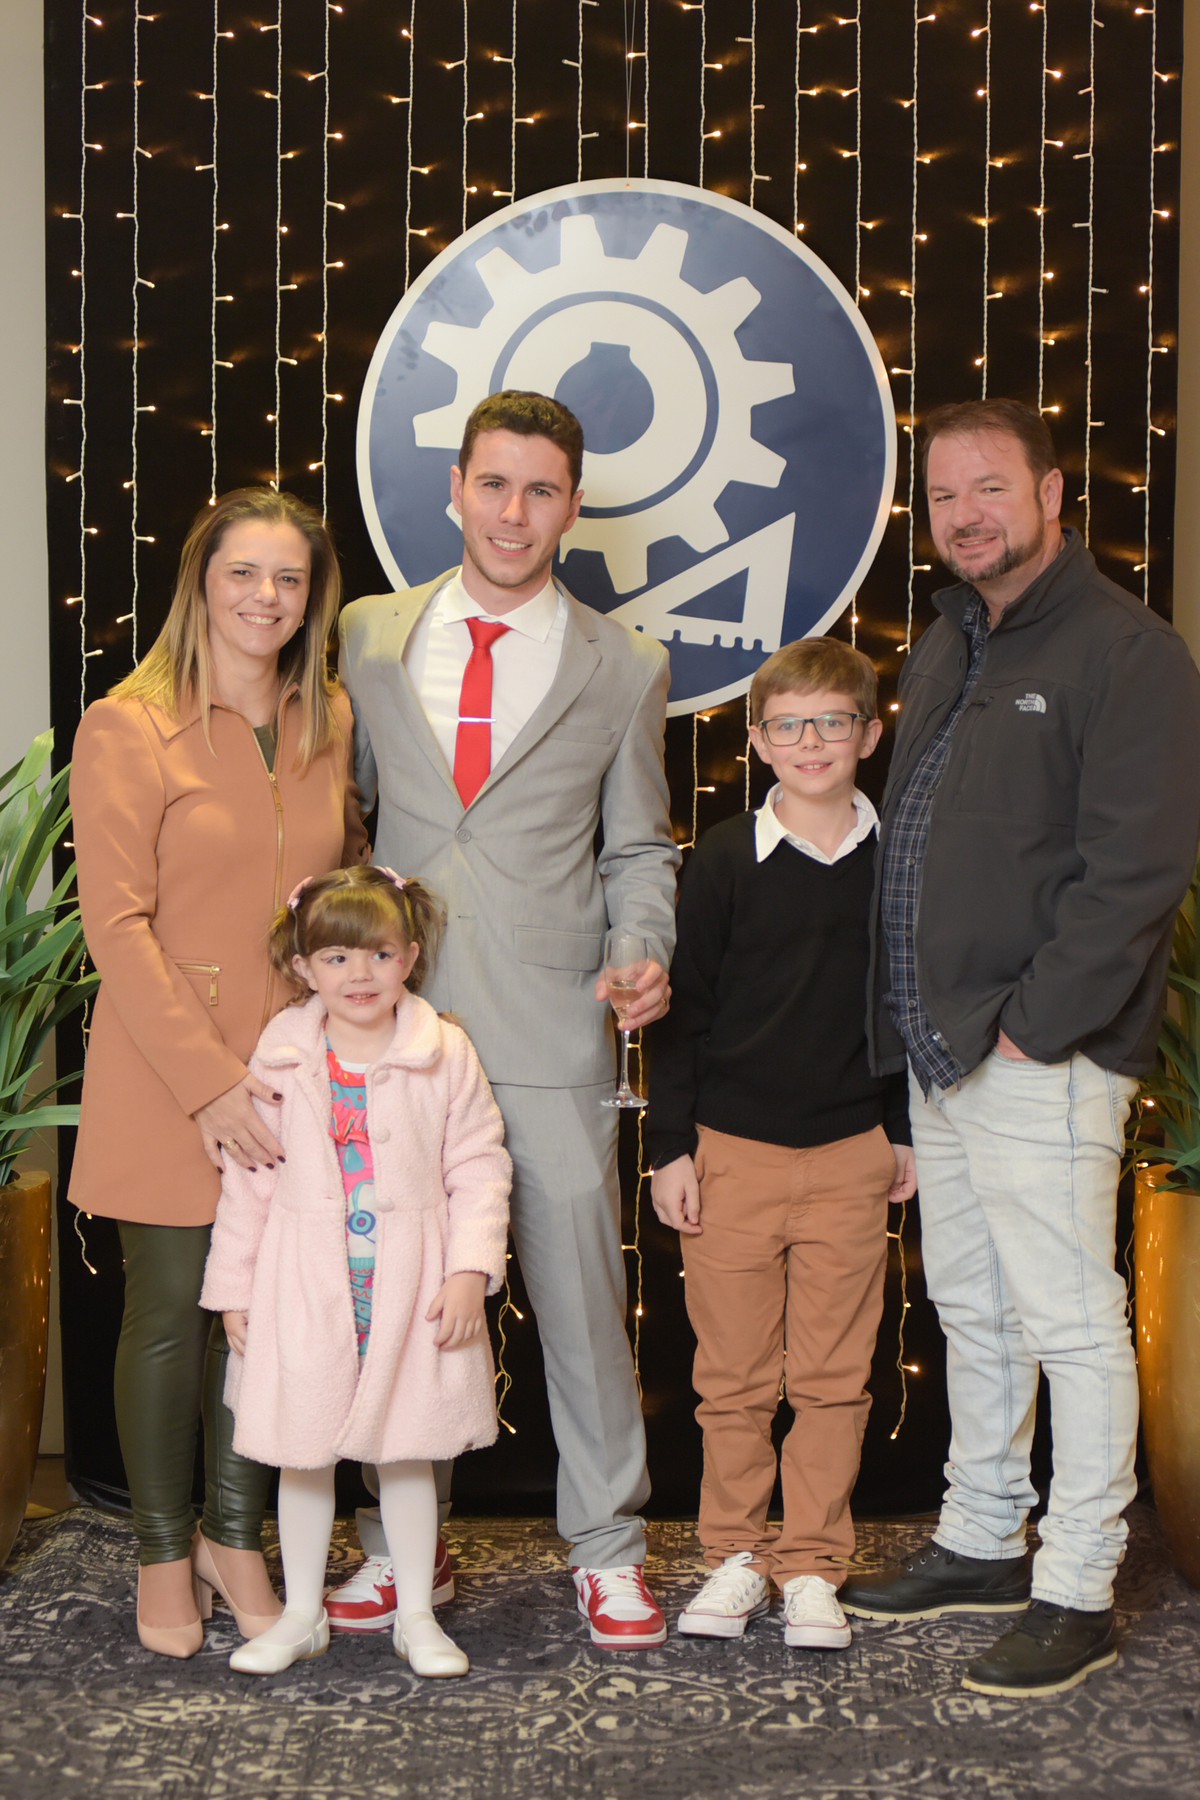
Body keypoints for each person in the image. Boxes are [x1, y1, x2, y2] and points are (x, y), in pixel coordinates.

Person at [837, 399, 1200, 1696]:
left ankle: (1079, 1583)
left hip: (1040, 1052)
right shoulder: (949, 641)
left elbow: (1136, 871)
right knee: (975, 1312)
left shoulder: (1129, 652)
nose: (966, 516)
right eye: (944, 497)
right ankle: (985, 1539)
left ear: (1052, 493)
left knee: (1072, 1323)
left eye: (991, 487)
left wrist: (1036, 1030)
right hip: (942, 1046)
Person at [335, 390, 680, 1647]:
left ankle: (609, 1546)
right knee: (395, 1288)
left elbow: (638, 845)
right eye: (494, 483)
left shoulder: (624, 663)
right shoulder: (370, 635)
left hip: (552, 1017)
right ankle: (396, 1541)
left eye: (540, 490)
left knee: (580, 1294)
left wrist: (642, 948)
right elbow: (348, 819)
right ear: (456, 489)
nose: (514, 512)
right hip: (396, 1021)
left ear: (572, 506)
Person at [70, 488, 367, 1659]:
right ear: (201, 581)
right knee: (169, 1315)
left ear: (313, 597)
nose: (266, 597)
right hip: (165, 1070)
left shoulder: (327, 713)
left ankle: (233, 1538)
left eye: (289, 578)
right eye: (244, 573)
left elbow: (336, 887)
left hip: (293, 1071)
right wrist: (207, 1082)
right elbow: (115, 923)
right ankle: (160, 1546)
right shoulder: (126, 726)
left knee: (268, 1318)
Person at [647, 638, 916, 1651]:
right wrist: (672, 1146)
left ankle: (811, 1565)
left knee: (836, 1378)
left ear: (869, 734)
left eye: (833, 722)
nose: (812, 742)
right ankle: (734, 1555)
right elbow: (686, 1011)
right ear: (757, 741)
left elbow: (911, 1006)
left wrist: (902, 1133)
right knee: (734, 1380)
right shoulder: (724, 857)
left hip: (851, 1150)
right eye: (789, 725)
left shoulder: (899, 859)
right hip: (732, 1154)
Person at [199, 866, 511, 1677]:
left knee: (408, 1450)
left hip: (410, 1286)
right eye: (336, 958)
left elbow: (479, 1162)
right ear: (303, 967)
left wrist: (469, 1270)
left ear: (409, 956)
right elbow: (250, 1177)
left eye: (377, 954)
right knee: (302, 1451)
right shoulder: (283, 1054)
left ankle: (416, 1615)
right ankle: (301, 1614)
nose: (359, 974)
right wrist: (233, 1288)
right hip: (303, 1285)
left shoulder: (443, 1050)